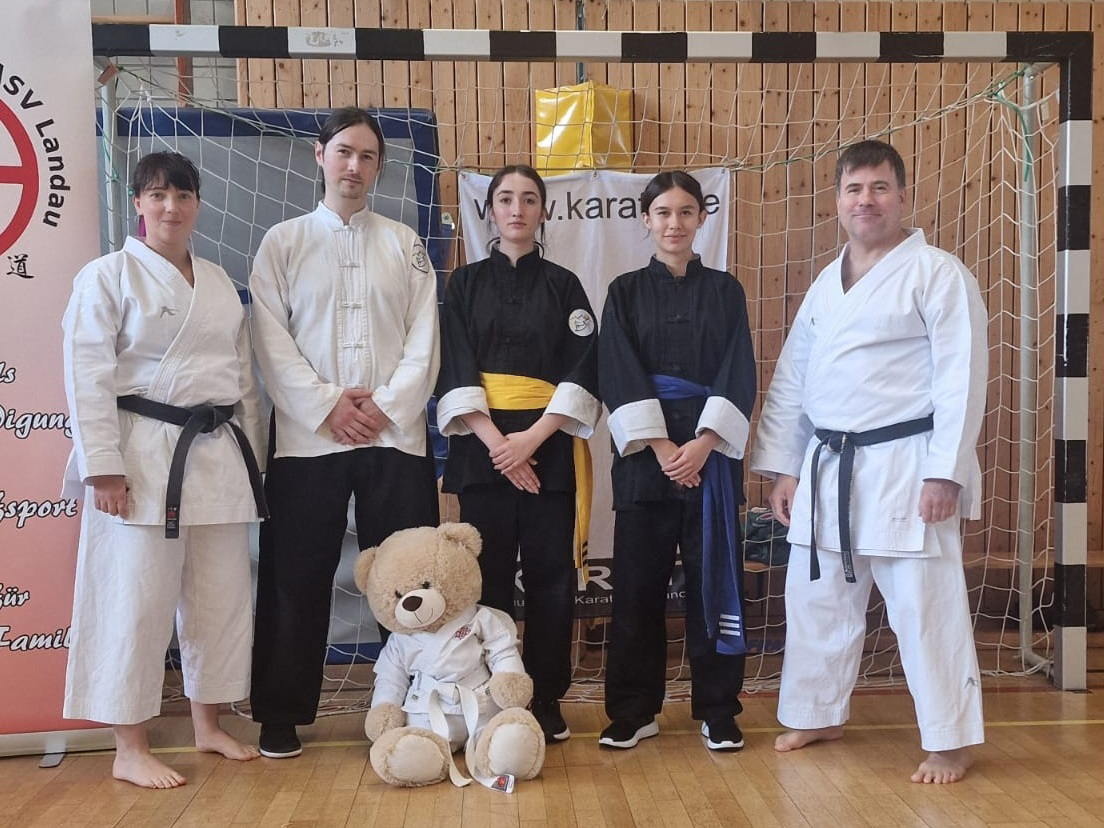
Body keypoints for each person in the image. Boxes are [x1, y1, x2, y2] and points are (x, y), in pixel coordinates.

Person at [750, 139, 987, 784]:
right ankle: (818, 710)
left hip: (907, 467)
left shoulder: (937, 272)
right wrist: (784, 465)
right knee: (816, 596)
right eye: (854, 189)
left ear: (903, 195)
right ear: (837, 201)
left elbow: (961, 380)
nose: (866, 200)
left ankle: (951, 738)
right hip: (828, 467)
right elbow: (794, 378)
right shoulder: (828, 283)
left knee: (924, 605)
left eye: (879, 187)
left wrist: (947, 472)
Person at [61, 151, 266, 788]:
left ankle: (208, 725)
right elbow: (86, 375)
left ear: (197, 204)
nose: (170, 207)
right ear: (138, 204)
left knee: (220, 599)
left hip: (217, 456)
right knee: (136, 600)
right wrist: (103, 467)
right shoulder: (107, 276)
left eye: (182, 195)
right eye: (157, 196)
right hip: (143, 457)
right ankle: (129, 745)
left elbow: (245, 383)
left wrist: (254, 463)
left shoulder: (218, 281)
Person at [248, 107, 440, 759]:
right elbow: (270, 339)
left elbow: (424, 341)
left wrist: (383, 408)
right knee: (295, 576)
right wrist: (328, 405)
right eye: (343, 152)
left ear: (379, 167)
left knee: (407, 578)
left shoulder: (405, 244)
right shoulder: (283, 242)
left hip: (395, 439)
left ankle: (413, 702)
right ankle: (280, 712)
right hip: (308, 441)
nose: (353, 165)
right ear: (319, 156)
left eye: (366, 156)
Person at [436, 165, 601, 743]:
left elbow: (584, 367)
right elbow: (453, 363)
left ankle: (546, 698)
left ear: (543, 212)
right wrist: (496, 444)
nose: (517, 209)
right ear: (490, 210)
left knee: (553, 579)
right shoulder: (464, 284)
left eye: (529, 199)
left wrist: (530, 441)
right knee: (488, 580)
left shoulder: (565, 286)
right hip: (483, 451)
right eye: (505, 198)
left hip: (548, 450)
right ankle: (489, 692)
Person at [597, 171, 755, 752]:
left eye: (686, 212)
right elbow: (617, 369)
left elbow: (739, 369)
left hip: (709, 461)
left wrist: (704, 444)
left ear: (701, 218)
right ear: (646, 219)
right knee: (637, 587)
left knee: (713, 587)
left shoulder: (725, 291)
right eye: (662, 212)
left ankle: (717, 708)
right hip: (647, 462)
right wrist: (664, 447)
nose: (674, 223)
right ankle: (634, 709)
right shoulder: (624, 292)